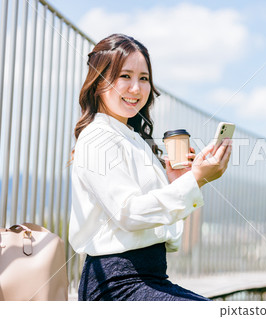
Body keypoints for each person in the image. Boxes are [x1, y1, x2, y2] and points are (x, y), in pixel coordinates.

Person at [69, 33, 232, 301]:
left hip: (151, 278)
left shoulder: (134, 140)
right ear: (98, 81)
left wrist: (179, 181)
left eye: (143, 78)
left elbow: (161, 234)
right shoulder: (97, 137)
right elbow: (129, 213)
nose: (136, 88)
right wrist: (195, 182)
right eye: (125, 76)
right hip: (116, 285)